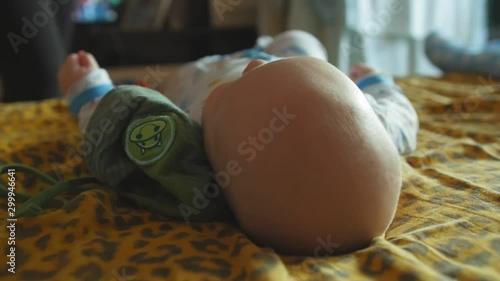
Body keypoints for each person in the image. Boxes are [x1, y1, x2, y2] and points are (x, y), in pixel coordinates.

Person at [59, 30, 418, 255]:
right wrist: (376, 84)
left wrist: (89, 88)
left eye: (241, 88)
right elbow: (402, 118)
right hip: (292, 62)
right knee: (304, 41)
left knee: (290, 47)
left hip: (201, 75)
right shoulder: (373, 123)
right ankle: (291, 51)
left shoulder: (192, 146)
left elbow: (116, 128)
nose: (254, 66)